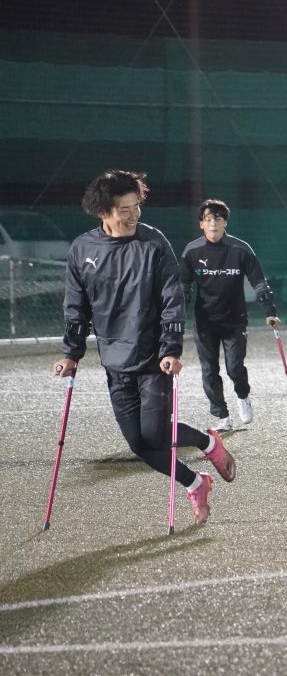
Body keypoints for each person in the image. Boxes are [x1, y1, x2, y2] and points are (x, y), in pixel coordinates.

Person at [53, 170, 236, 525]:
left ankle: (207, 442)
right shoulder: (83, 249)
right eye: (124, 209)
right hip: (114, 360)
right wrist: (71, 353)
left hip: (154, 358)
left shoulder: (153, 244)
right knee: (139, 445)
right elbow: (76, 307)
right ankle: (197, 482)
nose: (133, 214)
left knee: (154, 433)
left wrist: (172, 348)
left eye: (136, 206)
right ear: (103, 210)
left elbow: (172, 297)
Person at [180, 199, 280, 432]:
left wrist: (270, 312)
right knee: (209, 370)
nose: (213, 223)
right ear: (201, 224)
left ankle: (242, 396)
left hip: (235, 320)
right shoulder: (192, 251)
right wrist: (178, 316)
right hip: (205, 322)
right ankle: (222, 416)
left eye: (218, 218)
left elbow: (259, 282)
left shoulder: (240, 249)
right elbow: (182, 287)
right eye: (208, 219)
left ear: (225, 222)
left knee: (234, 368)